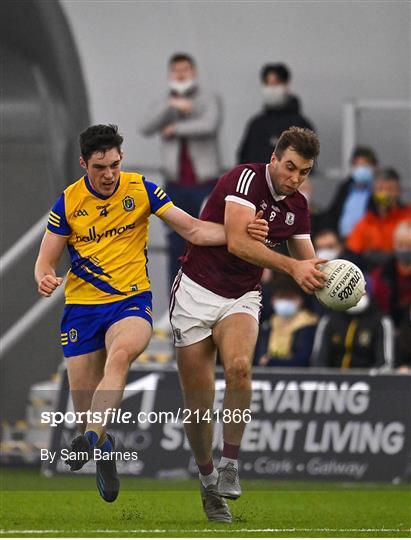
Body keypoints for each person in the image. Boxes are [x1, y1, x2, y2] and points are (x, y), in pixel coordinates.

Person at [34, 124, 267, 504]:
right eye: (99, 167)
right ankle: (102, 446)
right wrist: (45, 278)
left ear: (121, 158)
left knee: (121, 355)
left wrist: (241, 232)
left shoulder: (140, 189)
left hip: (130, 301)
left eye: (114, 164)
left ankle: (92, 438)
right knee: (85, 408)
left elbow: (192, 228)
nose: (109, 174)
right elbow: (45, 260)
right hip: (81, 309)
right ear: (83, 164)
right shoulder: (68, 202)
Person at [169, 127, 326, 523]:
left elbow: (308, 264)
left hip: (241, 295)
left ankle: (230, 465)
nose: (294, 178)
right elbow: (238, 243)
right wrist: (291, 264)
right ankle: (207, 483)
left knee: (240, 367)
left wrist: (333, 284)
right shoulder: (245, 178)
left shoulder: (298, 207)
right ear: (274, 159)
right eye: (290, 167)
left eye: (304, 172)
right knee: (198, 404)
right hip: (195, 292)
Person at [140, 53, 222, 293]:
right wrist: (170, 106)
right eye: (176, 71)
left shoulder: (208, 98)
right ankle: (175, 302)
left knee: (208, 243)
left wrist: (176, 127)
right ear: (169, 74)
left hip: (205, 183)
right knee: (176, 245)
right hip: (175, 184)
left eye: (185, 70)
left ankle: (209, 299)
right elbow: (145, 126)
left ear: (194, 72)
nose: (181, 75)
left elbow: (209, 124)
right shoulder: (166, 100)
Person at [237, 63, 314, 165]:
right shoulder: (256, 124)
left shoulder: (300, 125)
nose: (271, 88)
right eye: (268, 83)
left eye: (276, 83)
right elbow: (243, 159)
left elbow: (307, 161)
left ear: (286, 85)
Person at [346, 168, 411, 270]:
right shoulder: (367, 221)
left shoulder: (408, 216)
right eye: (380, 189)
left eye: (390, 190)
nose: (385, 194)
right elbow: (352, 253)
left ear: (399, 191)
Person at [310, 292, 395, 369]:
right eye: (351, 292)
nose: (355, 296)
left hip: (367, 381)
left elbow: (384, 364)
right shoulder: (329, 320)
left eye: (360, 292)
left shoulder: (381, 322)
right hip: (333, 381)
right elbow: (318, 360)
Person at [257, 276, 318, 367]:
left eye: (290, 297)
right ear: (273, 300)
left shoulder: (308, 324)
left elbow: (302, 361)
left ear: (300, 300)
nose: (285, 301)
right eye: (281, 297)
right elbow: (259, 357)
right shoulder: (269, 324)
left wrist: (270, 362)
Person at [321, 146, 378, 239]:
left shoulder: (377, 191)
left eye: (365, 165)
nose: (361, 169)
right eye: (357, 165)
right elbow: (333, 213)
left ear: (374, 167)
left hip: (368, 241)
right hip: (343, 239)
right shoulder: (345, 187)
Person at [369, 220, 411, 327]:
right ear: (394, 244)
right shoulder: (381, 274)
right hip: (387, 324)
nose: (405, 250)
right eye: (401, 245)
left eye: (409, 245)